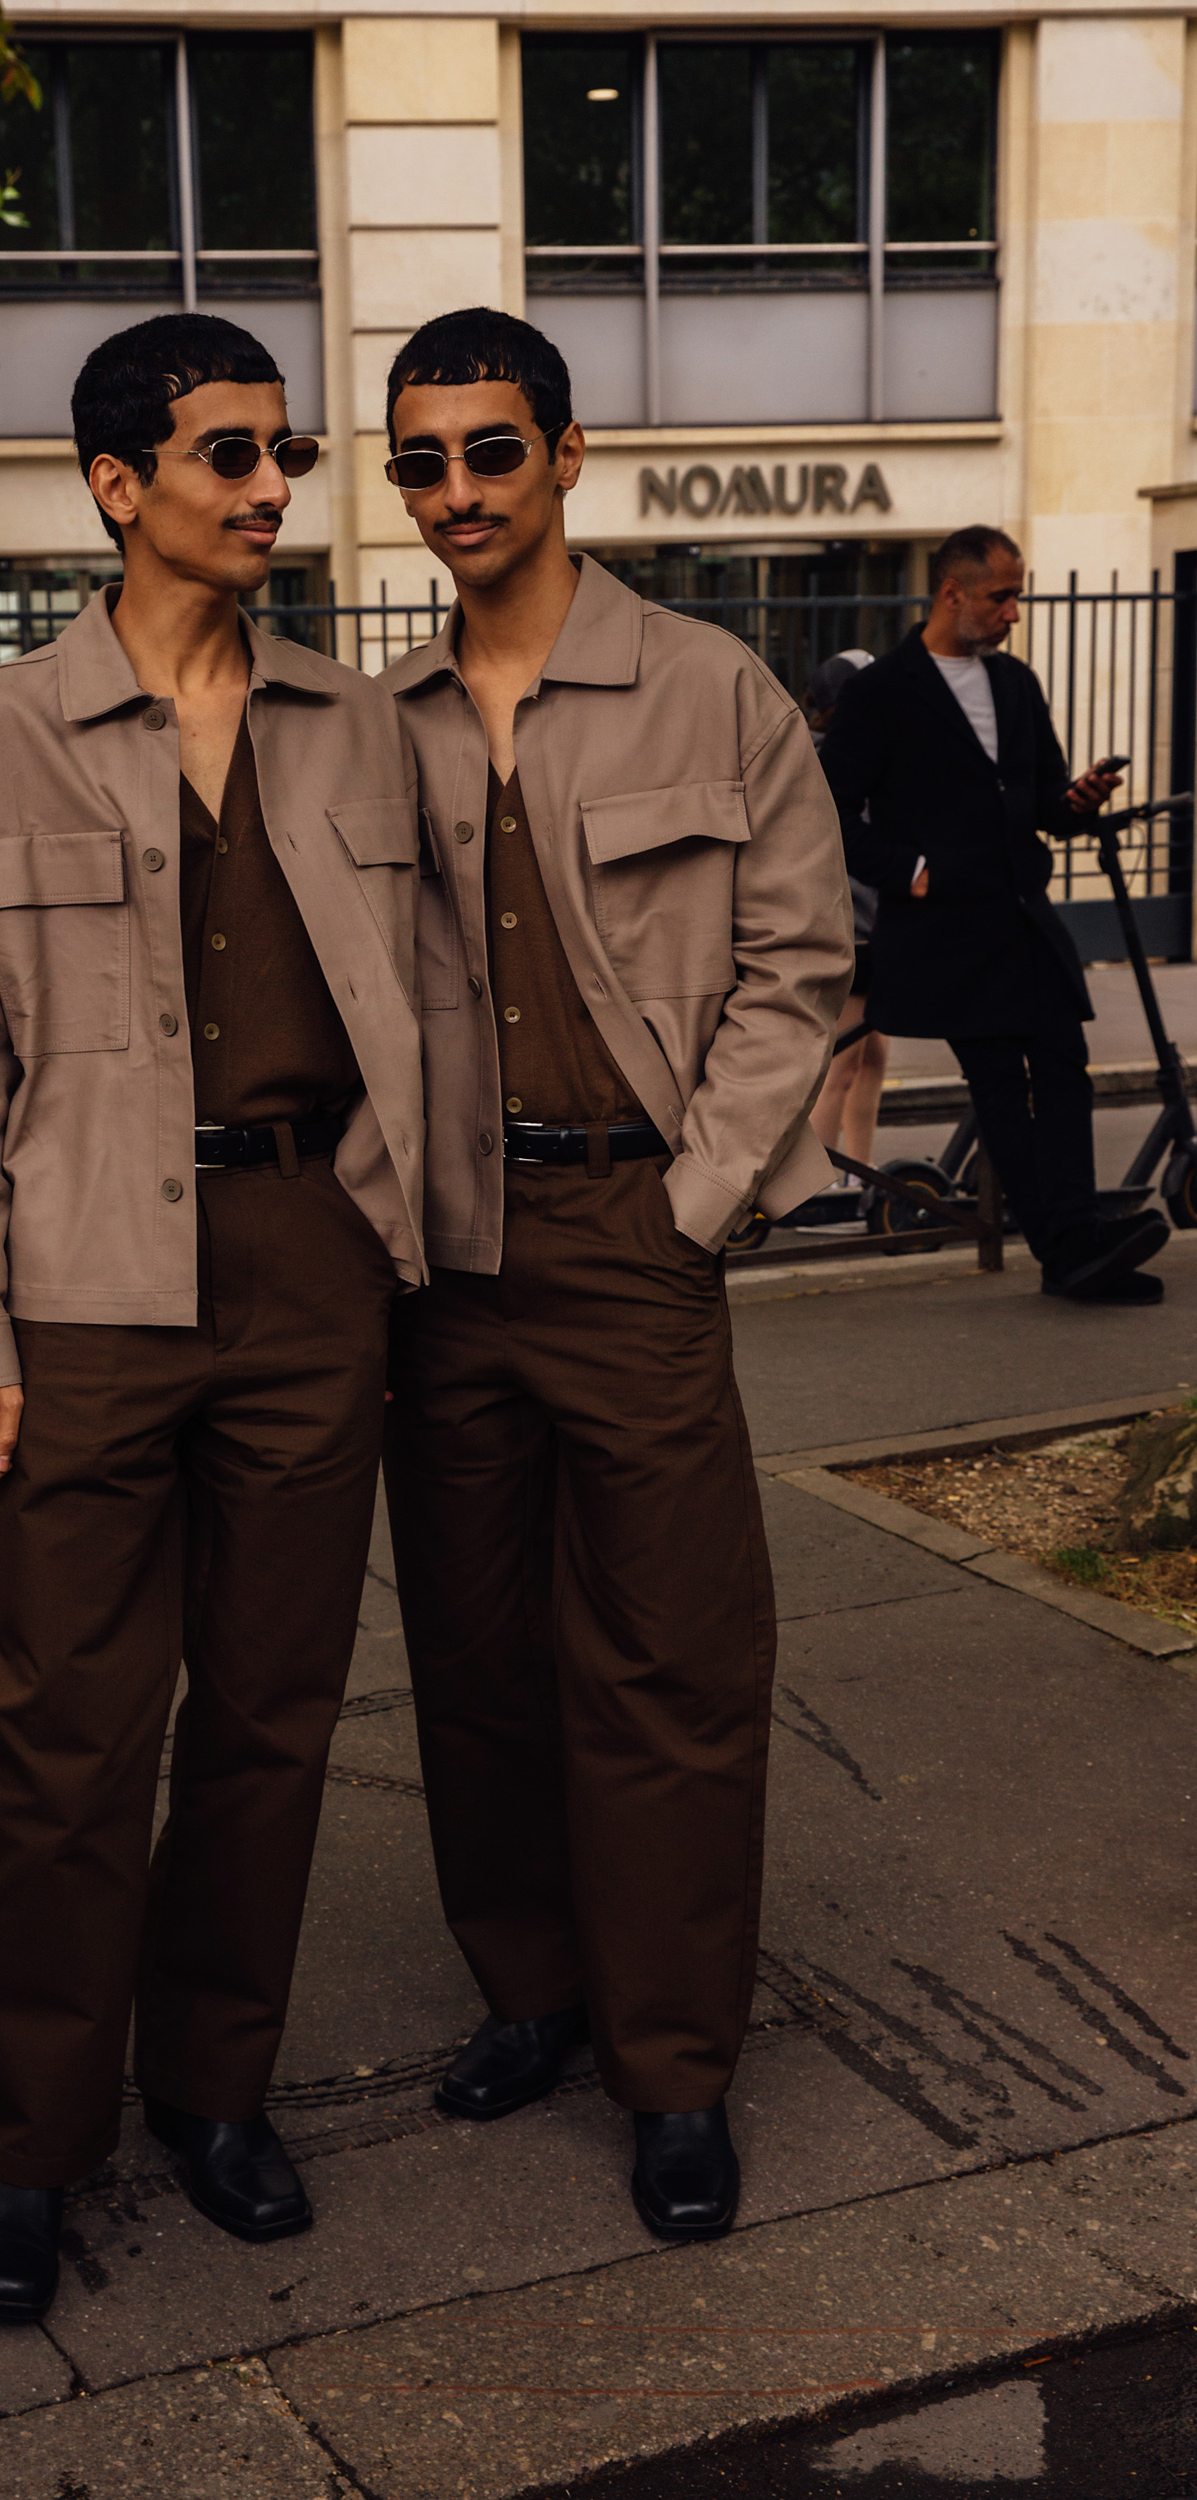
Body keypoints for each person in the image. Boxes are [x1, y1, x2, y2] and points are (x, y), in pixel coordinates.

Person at [0, 311, 425, 2322]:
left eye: (278, 449)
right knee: (53, 1729)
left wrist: (398, 1237)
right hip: (81, 1280)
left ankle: (214, 2090)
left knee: (271, 1712)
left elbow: (436, 1001)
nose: (270, 483)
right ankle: (28, 2141)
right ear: (117, 484)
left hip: (308, 1260)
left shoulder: (353, 720)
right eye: (225, 453)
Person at [377, 307, 853, 2242]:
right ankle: (534, 1995)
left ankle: (672, 2070)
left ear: (567, 456)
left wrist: (695, 1202)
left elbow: (798, 966)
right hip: (441, 1255)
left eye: (489, 450)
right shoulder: (371, 719)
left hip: (630, 1238)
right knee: (478, 1660)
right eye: (418, 460)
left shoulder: (709, 688)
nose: (455, 492)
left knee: (664, 1661)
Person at [819, 525, 1167, 1302]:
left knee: (1065, 1071)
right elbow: (824, 810)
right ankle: (1064, 1253)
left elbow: (1044, 805)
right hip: (946, 931)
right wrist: (904, 870)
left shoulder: (1014, 684)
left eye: (1017, 594)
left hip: (1022, 918)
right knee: (1001, 1090)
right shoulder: (883, 692)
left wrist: (1075, 803)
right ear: (951, 594)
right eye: (1000, 596)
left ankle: (1075, 1236)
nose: (1013, 611)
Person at [805, 650, 888, 1184]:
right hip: (847, 928)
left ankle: (859, 1171)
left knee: (871, 1052)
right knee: (841, 1060)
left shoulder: (865, 753)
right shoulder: (823, 759)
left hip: (869, 925)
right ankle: (816, 1188)